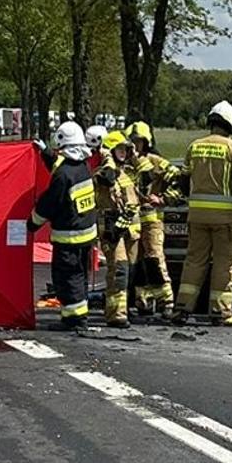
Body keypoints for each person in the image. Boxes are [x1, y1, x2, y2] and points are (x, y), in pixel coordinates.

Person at [171, 102, 232, 326]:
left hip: (197, 217)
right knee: (225, 263)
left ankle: (182, 308)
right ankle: (220, 312)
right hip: (224, 220)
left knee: (194, 261)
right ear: (230, 123)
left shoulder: (194, 146)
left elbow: (183, 181)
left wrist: (187, 200)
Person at [29, 121, 99, 334]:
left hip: (69, 238)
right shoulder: (82, 168)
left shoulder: (63, 175)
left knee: (67, 278)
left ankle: (74, 320)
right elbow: (61, 166)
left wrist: (32, 223)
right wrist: (45, 153)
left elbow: (49, 203)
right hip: (87, 236)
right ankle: (77, 316)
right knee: (80, 276)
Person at [127, 121, 179, 316]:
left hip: (151, 220)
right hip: (131, 222)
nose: (135, 146)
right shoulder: (124, 163)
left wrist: (164, 199)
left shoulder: (155, 162)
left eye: (139, 142)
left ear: (146, 142)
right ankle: (143, 301)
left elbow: (178, 178)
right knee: (137, 262)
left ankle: (167, 302)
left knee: (155, 258)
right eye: (132, 142)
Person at [95, 131, 141, 329]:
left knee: (130, 271)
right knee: (119, 269)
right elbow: (108, 177)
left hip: (130, 230)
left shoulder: (127, 173)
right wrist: (107, 158)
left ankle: (125, 308)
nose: (123, 152)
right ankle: (116, 314)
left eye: (125, 149)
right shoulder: (104, 173)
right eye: (119, 149)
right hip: (113, 230)